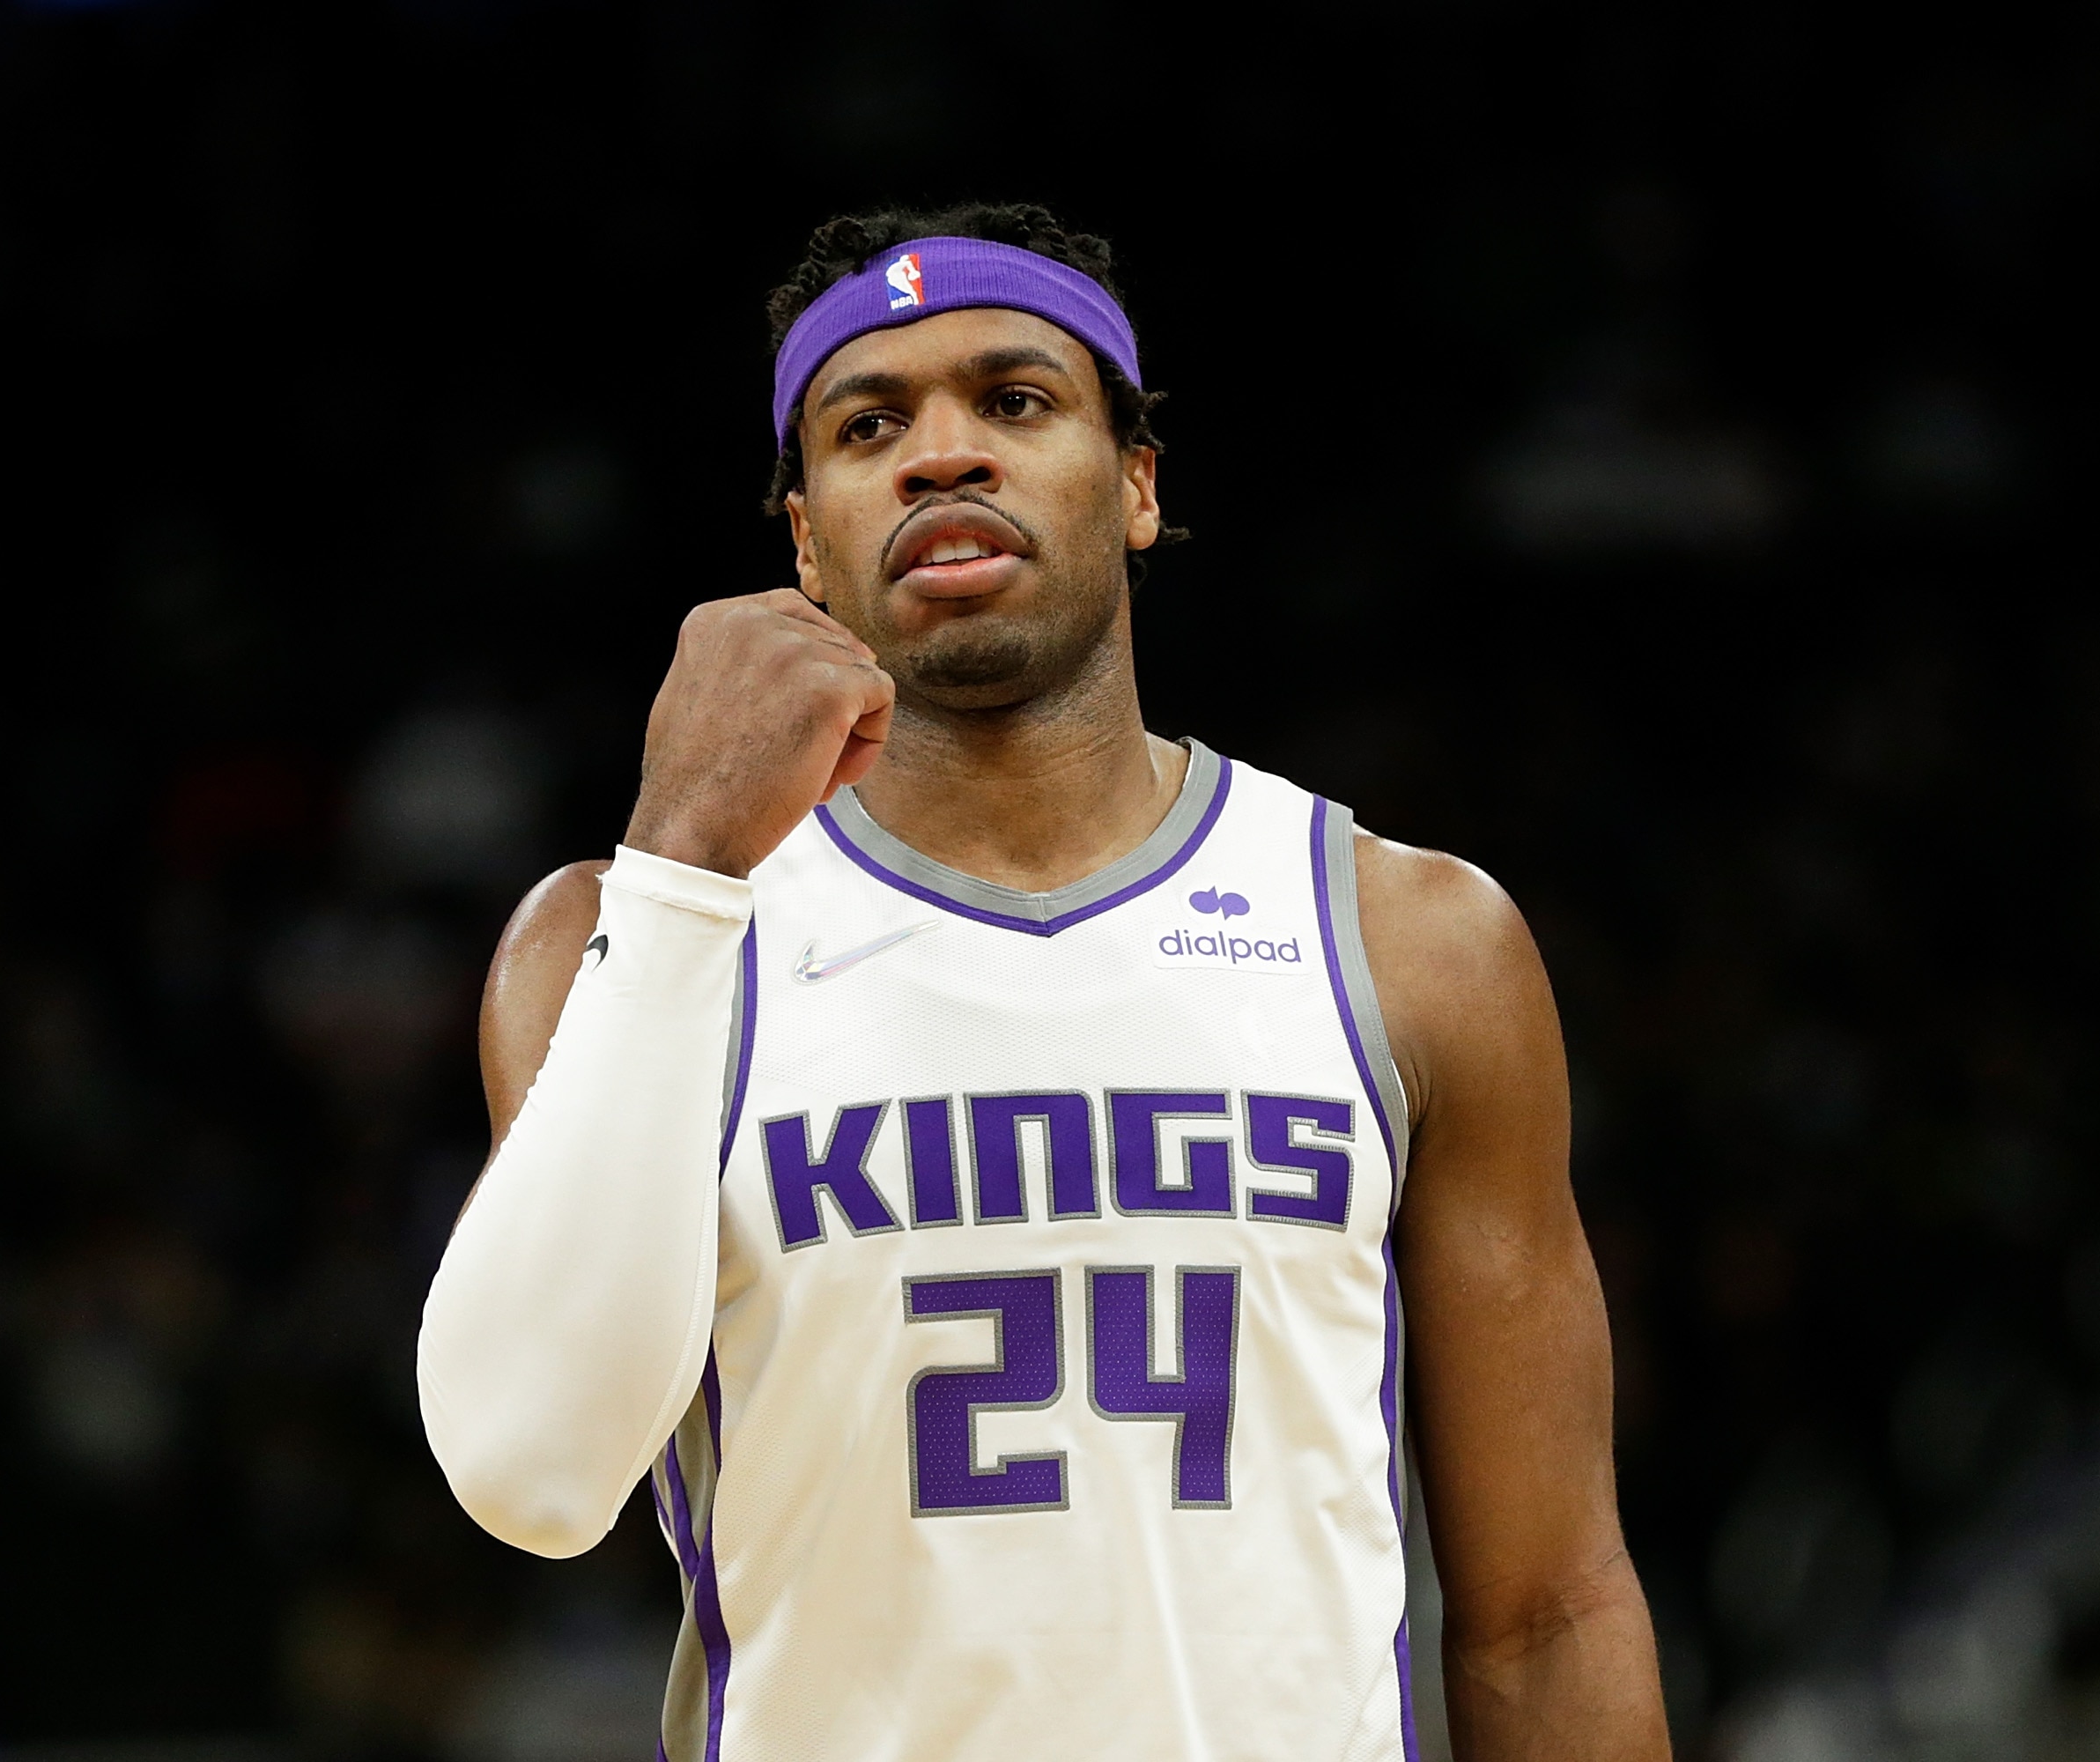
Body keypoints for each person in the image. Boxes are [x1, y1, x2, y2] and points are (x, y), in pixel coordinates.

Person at [418, 204, 1670, 1761]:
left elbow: (1547, 1610)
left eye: (1014, 401)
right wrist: (680, 859)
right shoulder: (625, 941)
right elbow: (532, 1476)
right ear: (806, 536)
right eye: (870, 425)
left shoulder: (1409, 939)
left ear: (1137, 484)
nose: (943, 454)